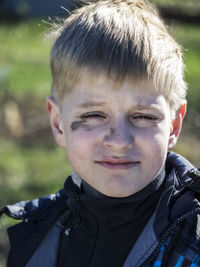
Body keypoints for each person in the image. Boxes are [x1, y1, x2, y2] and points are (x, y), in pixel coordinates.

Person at [1, 0, 200, 266]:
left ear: (174, 126)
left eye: (143, 116)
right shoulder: (36, 235)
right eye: (93, 115)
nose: (118, 142)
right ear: (59, 123)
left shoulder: (192, 240)